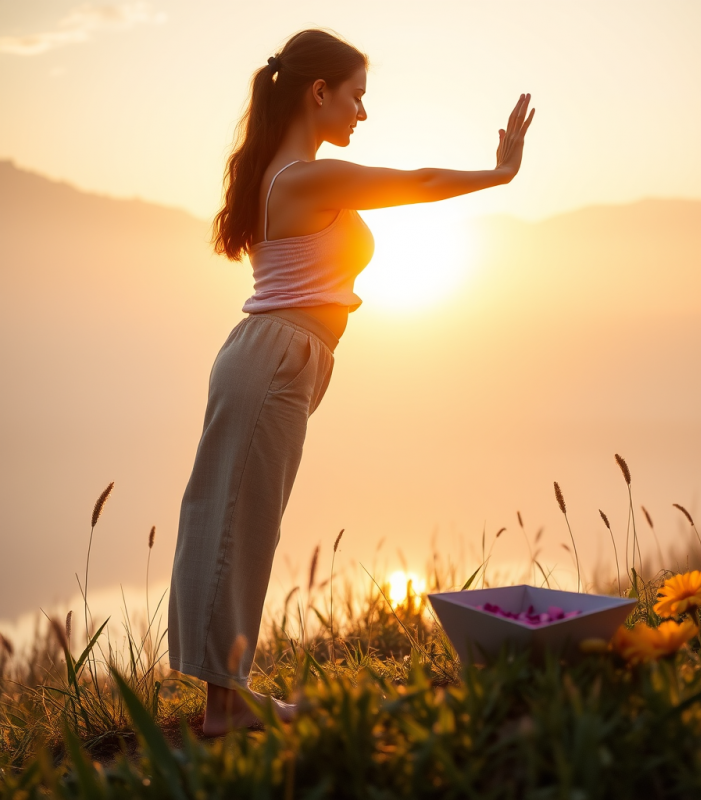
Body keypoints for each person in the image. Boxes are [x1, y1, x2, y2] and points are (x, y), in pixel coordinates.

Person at [167, 27, 534, 737]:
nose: (362, 112)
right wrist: (498, 175)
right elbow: (416, 183)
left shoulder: (283, 171)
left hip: (279, 357)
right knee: (235, 522)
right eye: (357, 95)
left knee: (242, 519)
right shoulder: (302, 177)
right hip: (275, 356)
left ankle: (226, 697)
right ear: (319, 92)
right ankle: (226, 706)